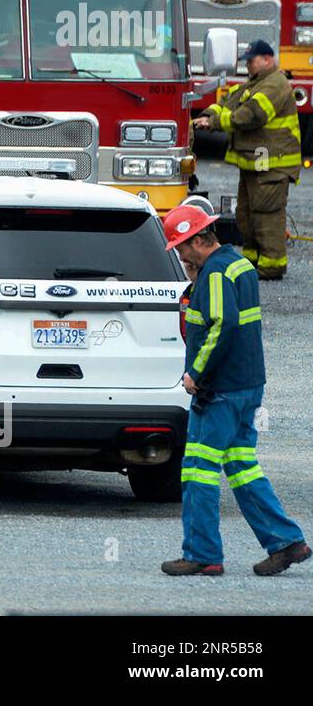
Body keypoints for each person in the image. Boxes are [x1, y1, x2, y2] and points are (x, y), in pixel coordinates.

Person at [160, 204, 309, 577]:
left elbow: (221, 326)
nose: (179, 255)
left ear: (197, 241)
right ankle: (286, 543)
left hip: (220, 389)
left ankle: (202, 553)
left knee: (198, 468)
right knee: (242, 465)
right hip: (247, 384)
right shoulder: (237, 264)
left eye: (180, 247)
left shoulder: (214, 272)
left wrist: (196, 373)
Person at [194, 40, 301, 279]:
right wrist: (207, 115)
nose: (248, 66)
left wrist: (214, 123)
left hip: (273, 164)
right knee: (246, 214)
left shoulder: (275, 85)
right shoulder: (255, 83)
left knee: (266, 214)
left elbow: (251, 115)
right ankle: (252, 261)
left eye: (251, 61)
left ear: (267, 59)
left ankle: (272, 267)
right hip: (257, 163)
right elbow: (228, 102)